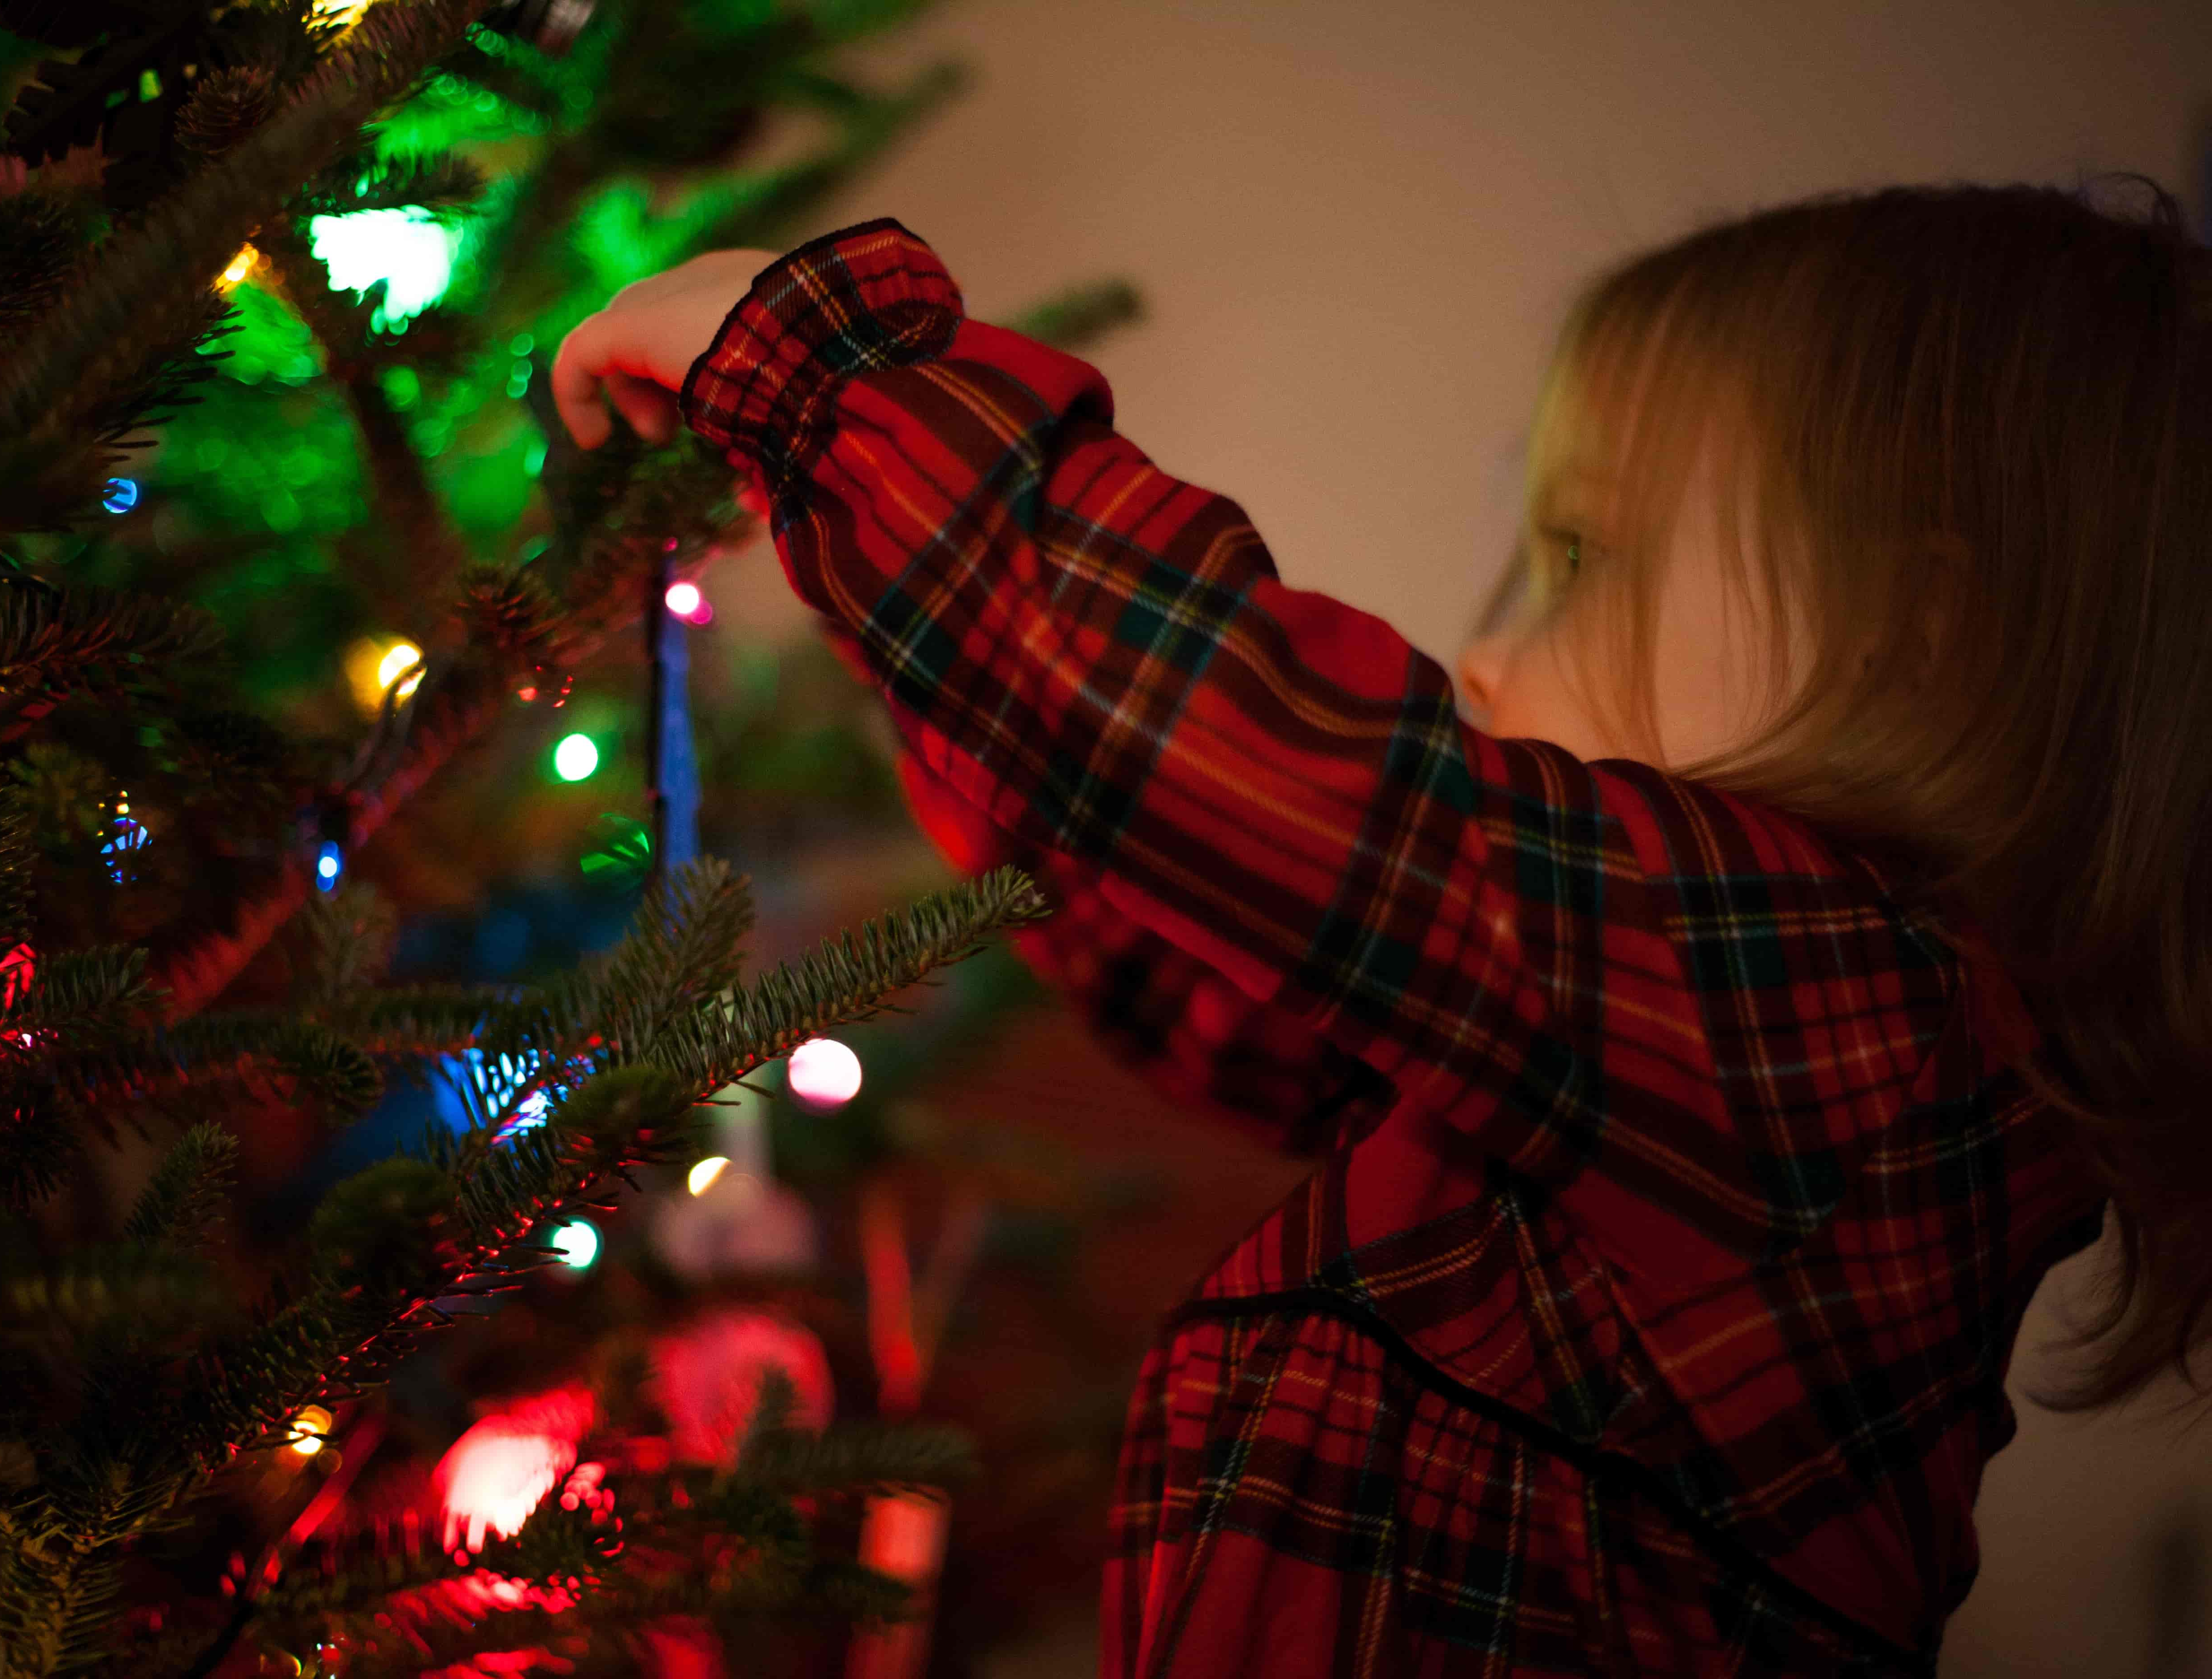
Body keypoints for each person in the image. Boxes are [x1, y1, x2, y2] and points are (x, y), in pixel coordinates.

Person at [550, 178, 2212, 1676]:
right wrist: (904, 606)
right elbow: (1204, 951)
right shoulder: (1633, 1090)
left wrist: (819, 375)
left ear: (1911, 641)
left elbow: (1249, 763)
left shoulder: (1840, 1037)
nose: (1487, 660)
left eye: (1581, 559)